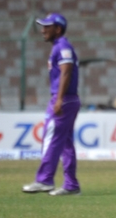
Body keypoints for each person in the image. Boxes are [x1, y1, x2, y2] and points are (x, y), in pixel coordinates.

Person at [22, 13, 81, 196]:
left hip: (63, 98)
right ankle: (71, 185)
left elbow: (66, 72)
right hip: (67, 98)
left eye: (47, 27)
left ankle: (44, 180)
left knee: (51, 138)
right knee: (65, 144)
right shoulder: (59, 46)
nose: (43, 30)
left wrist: (60, 99)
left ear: (58, 29)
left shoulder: (62, 46)